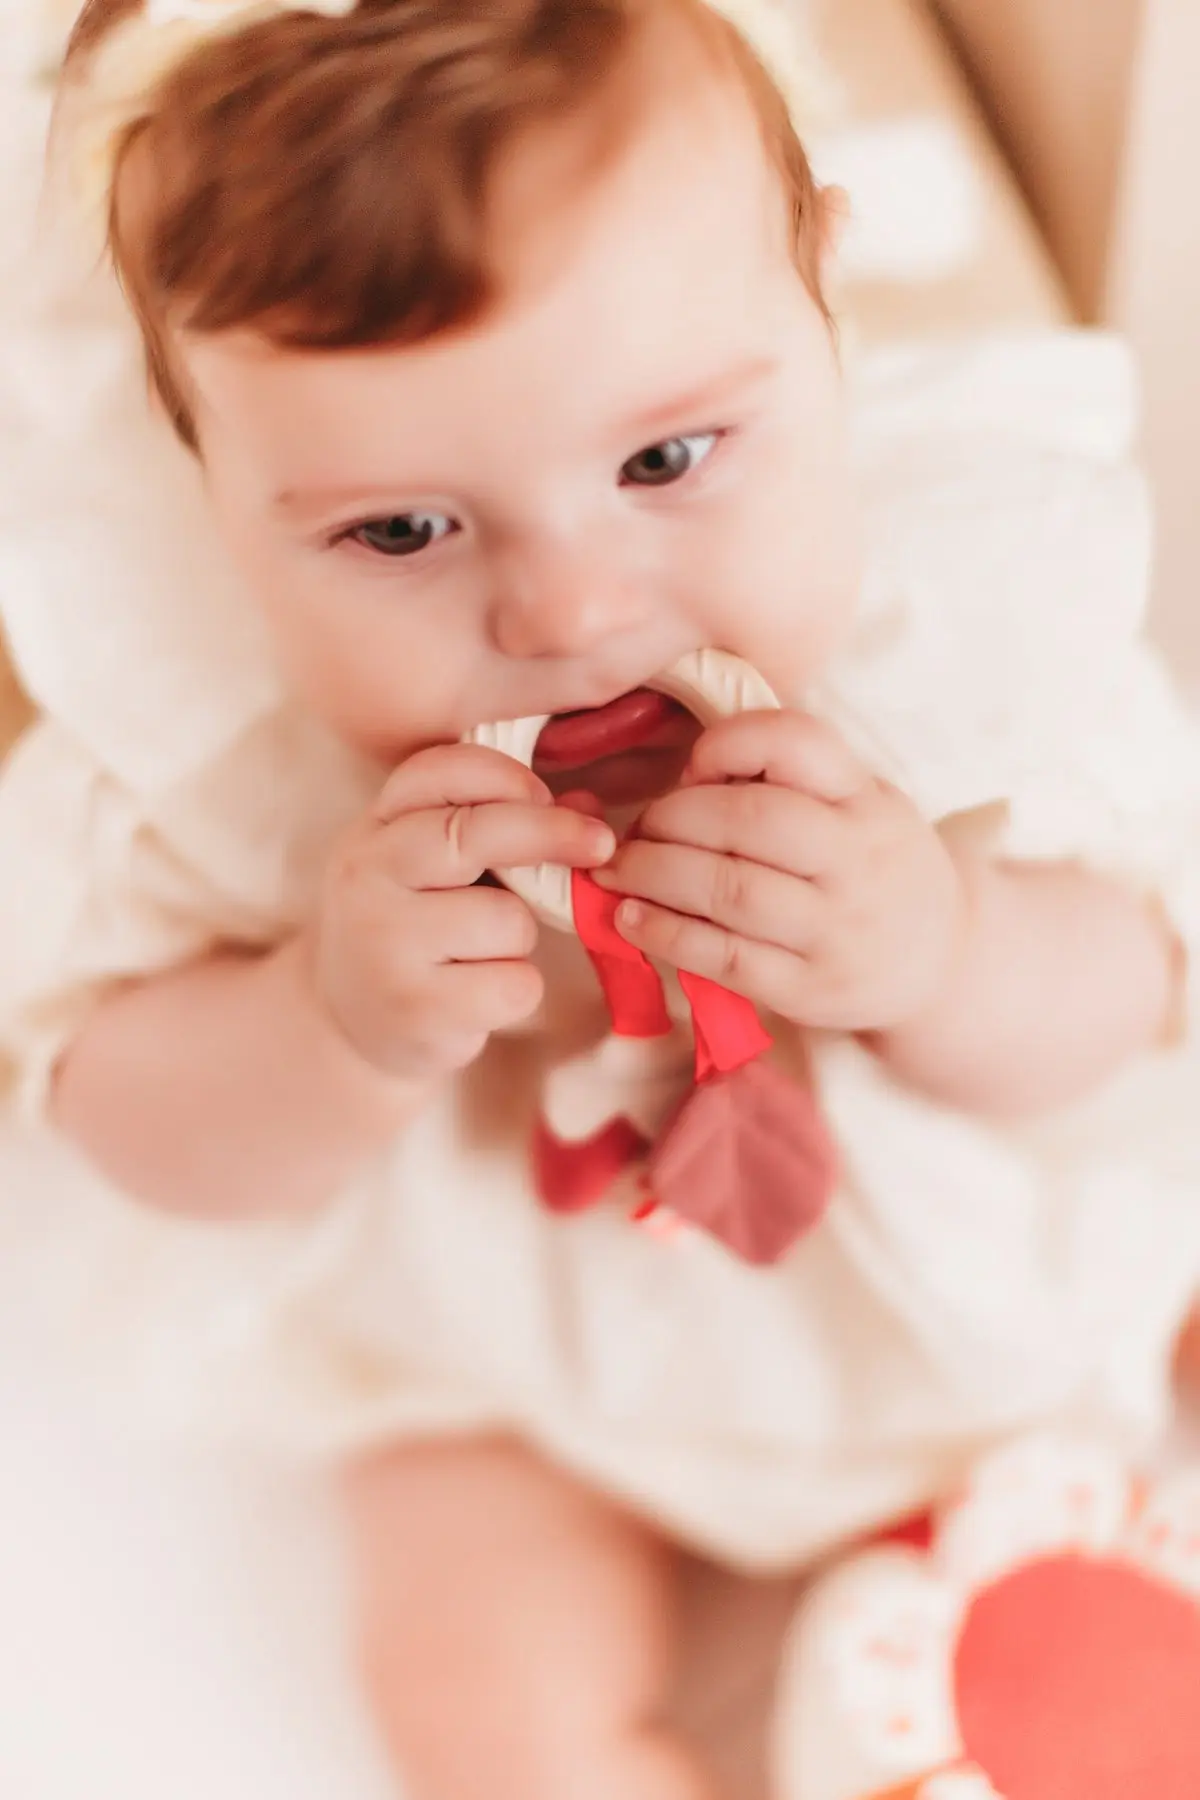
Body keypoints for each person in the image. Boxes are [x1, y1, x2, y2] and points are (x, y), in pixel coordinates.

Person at [2, 0, 1200, 1791]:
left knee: (1117, 1438)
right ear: (205, 491)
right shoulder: (218, 762)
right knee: (483, 1699)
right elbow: (120, 1119)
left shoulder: (952, 629)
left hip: (953, 1280)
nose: (568, 613)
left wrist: (943, 949)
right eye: (400, 531)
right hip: (500, 1373)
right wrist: (328, 1019)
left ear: (826, 306)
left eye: (663, 462)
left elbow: (1137, 993)